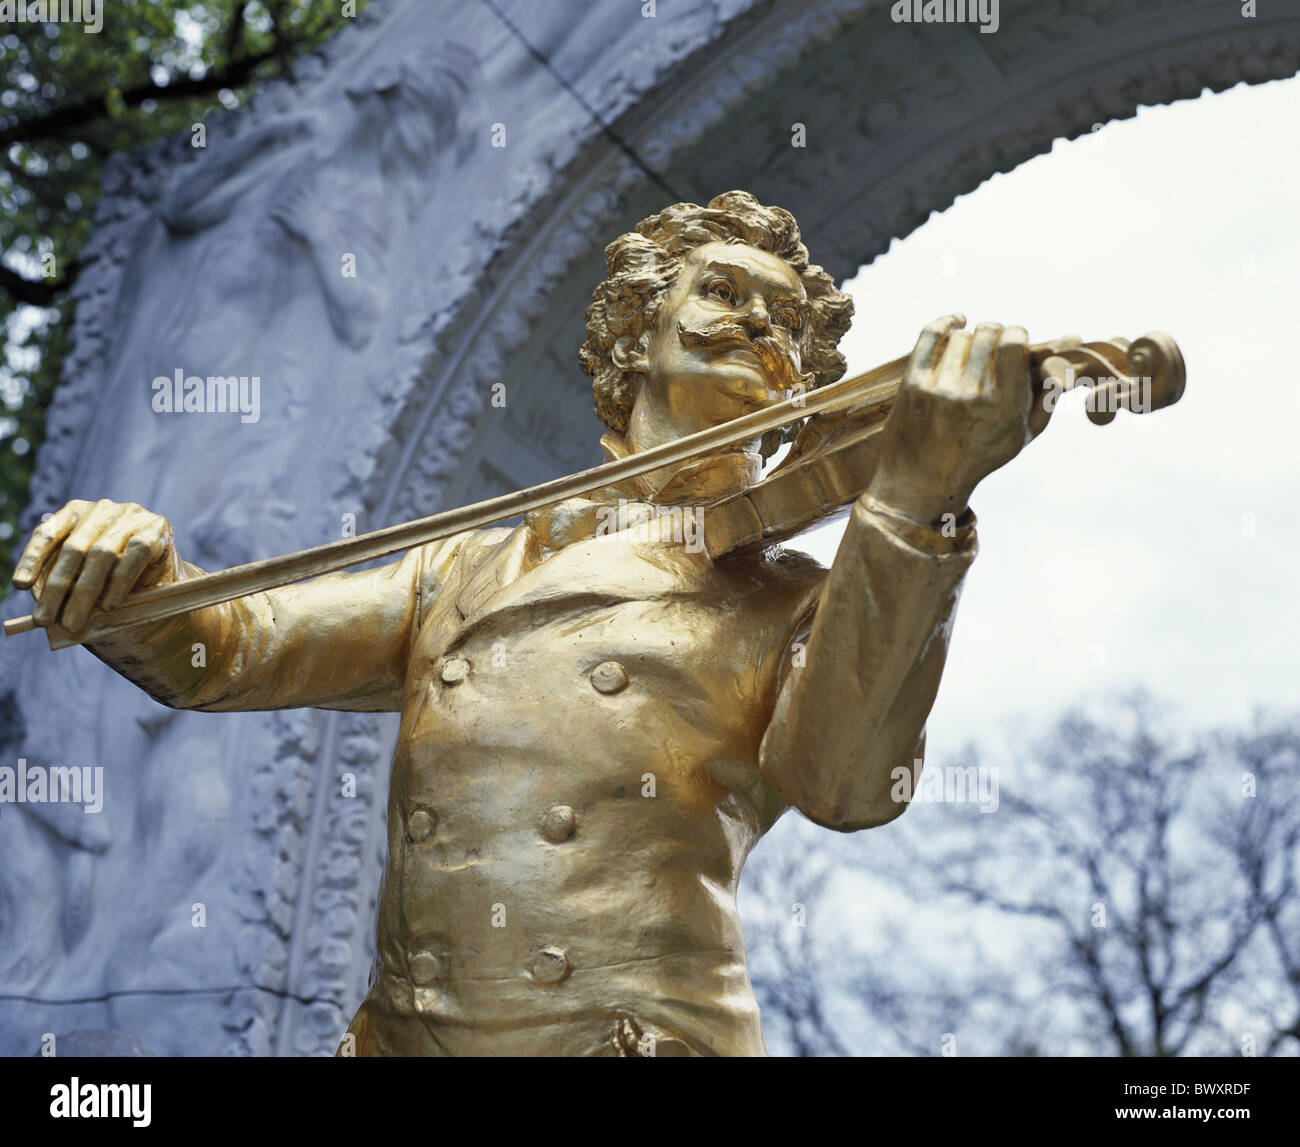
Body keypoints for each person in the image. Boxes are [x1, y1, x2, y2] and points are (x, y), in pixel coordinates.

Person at [12, 191, 1050, 1056]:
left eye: (786, 325)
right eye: (722, 293)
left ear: (798, 386)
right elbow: (226, 651)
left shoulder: (793, 593)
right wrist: (142, 575)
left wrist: (915, 499)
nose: (756, 325)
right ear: (635, 334)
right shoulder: (470, 563)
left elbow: (847, 786)